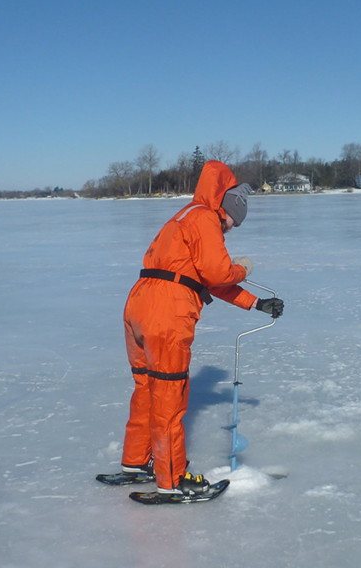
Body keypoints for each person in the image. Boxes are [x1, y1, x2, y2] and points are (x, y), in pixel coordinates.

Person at [118, 160, 284, 495]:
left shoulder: (184, 216)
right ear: (226, 208)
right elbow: (220, 274)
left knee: (147, 390)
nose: (229, 230)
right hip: (168, 313)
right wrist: (243, 268)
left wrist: (255, 303)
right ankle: (172, 481)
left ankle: (135, 462)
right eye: (232, 223)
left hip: (140, 305)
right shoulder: (206, 218)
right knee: (169, 397)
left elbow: (204, 277)